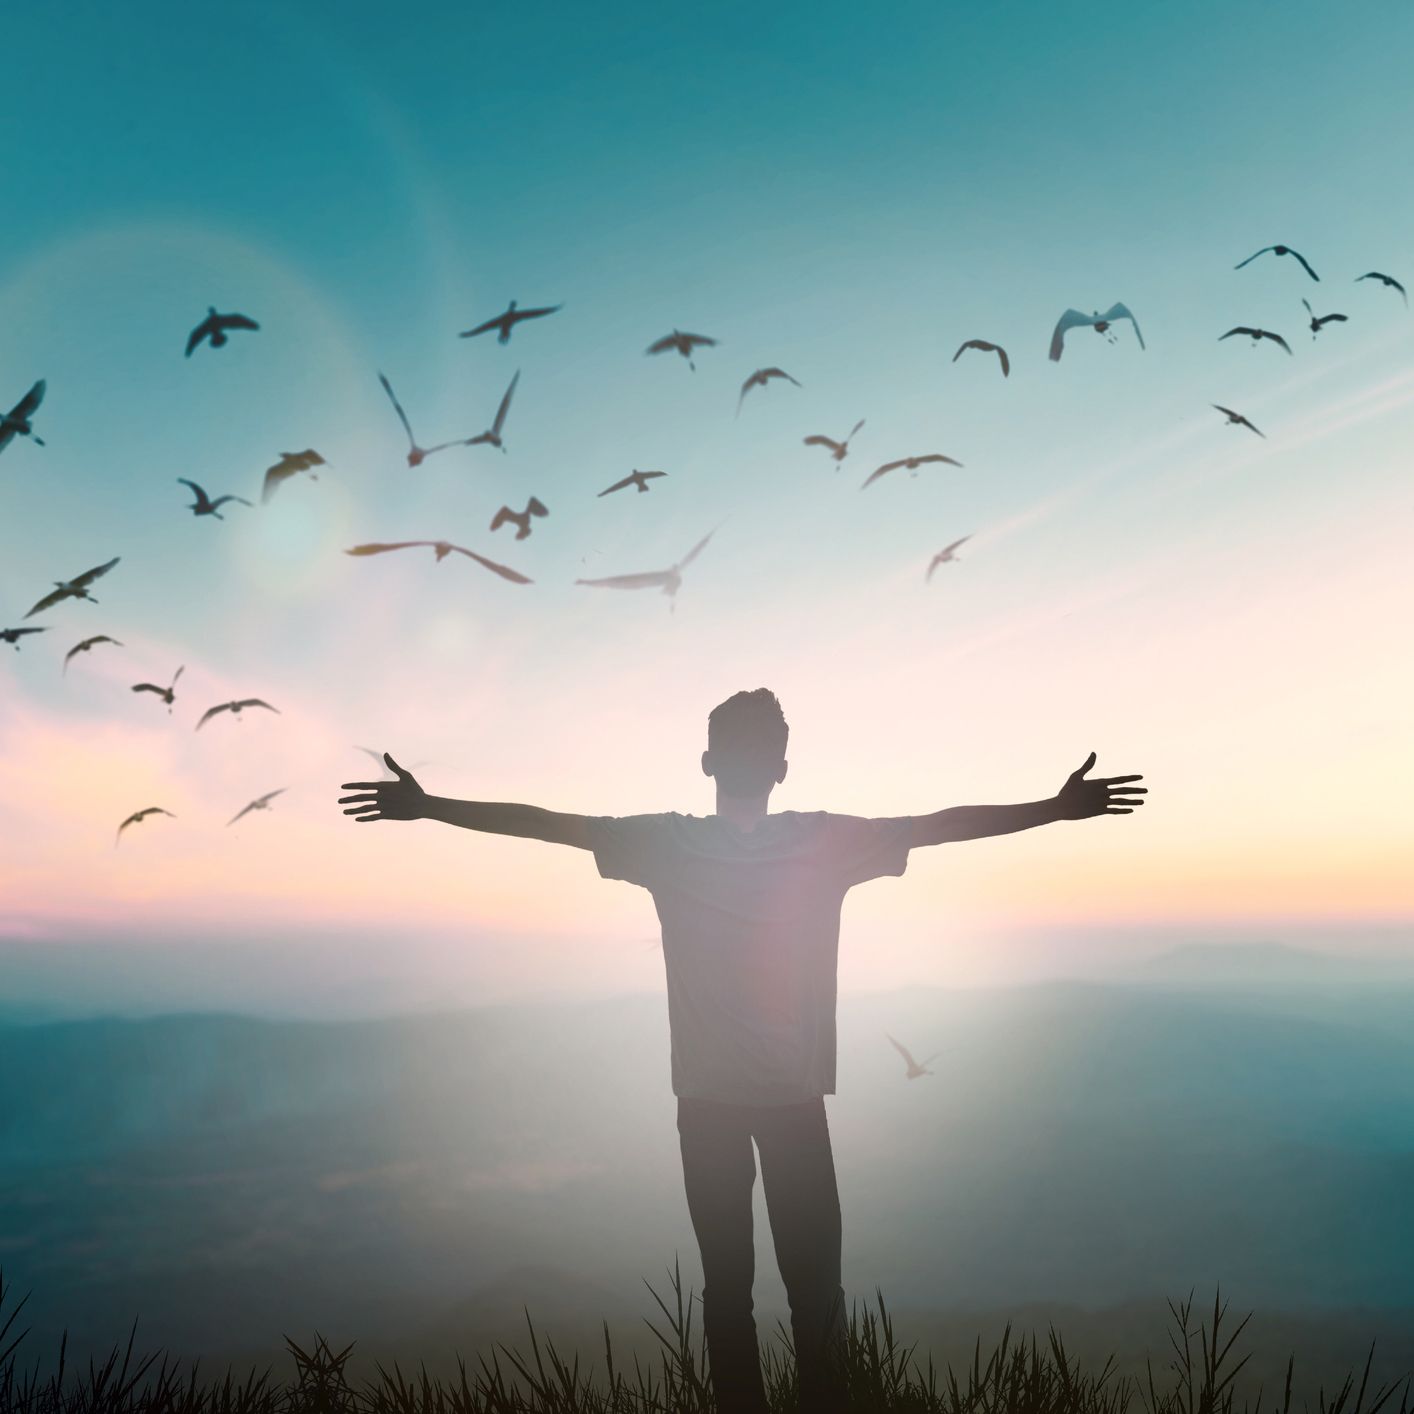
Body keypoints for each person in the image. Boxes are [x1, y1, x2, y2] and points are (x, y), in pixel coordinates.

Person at [338, 688, 1145, 1413]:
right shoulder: (824, 842)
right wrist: (1051, 808)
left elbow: (545, 824)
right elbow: (940, 827)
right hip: (792, 1108)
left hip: (709, 1109)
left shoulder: (665, 844)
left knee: (730, 1294)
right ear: (781, 768)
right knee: (813, 1297)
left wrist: (431, 806)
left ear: (708, 762)